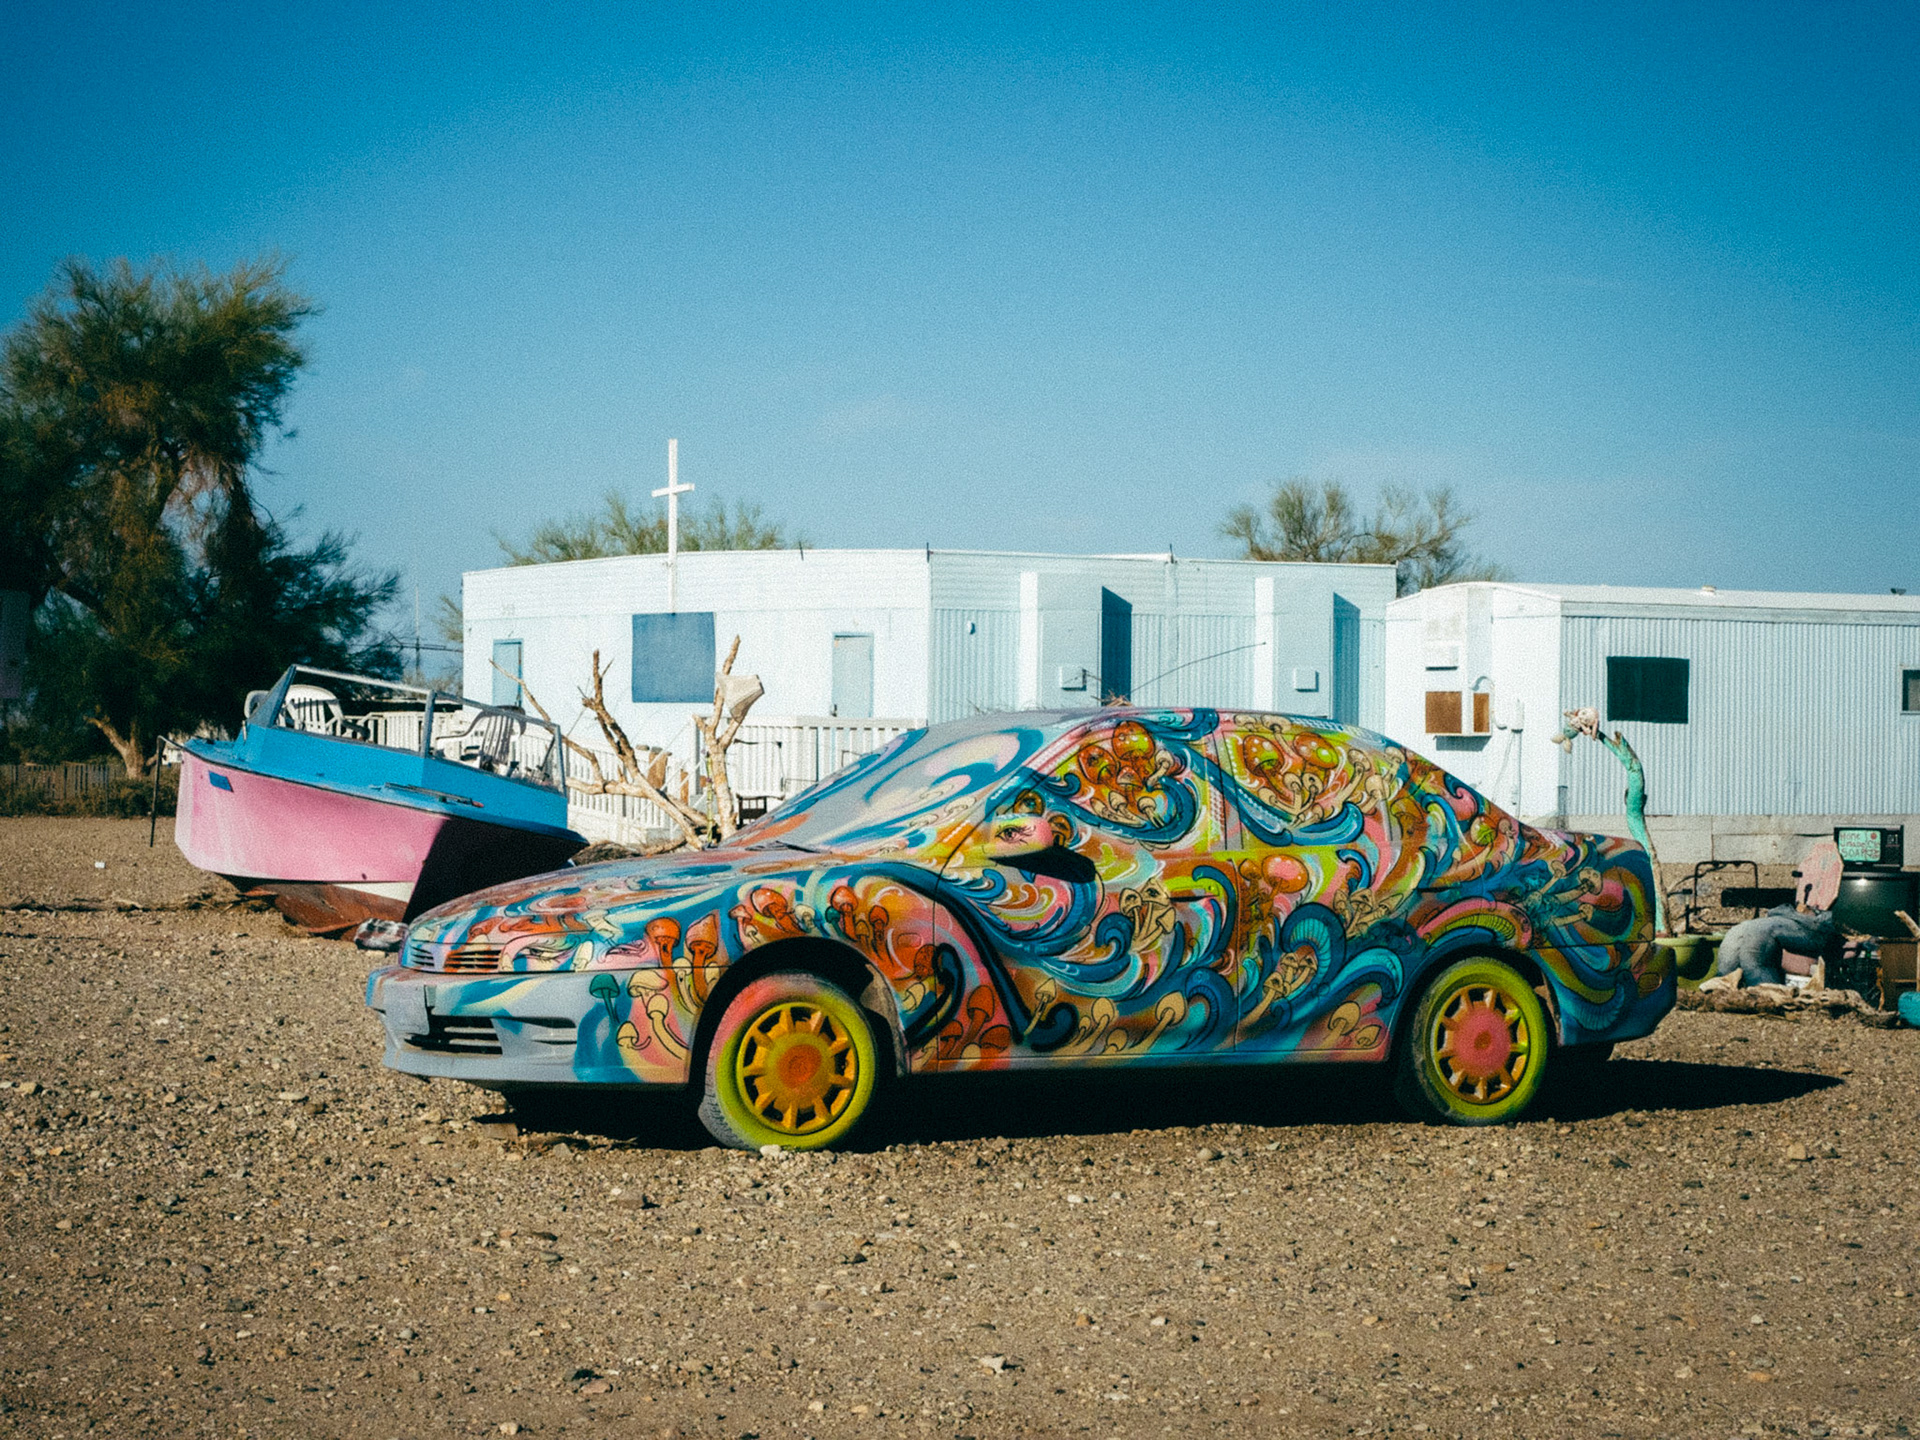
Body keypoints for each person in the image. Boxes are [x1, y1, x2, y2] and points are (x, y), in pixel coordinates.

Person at [1712, 904, 1843, 987]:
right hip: (1814, 922)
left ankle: (1721, 990)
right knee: (1749, 938)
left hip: (1820, 924)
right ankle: (1764, 994)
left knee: (1752, 937)